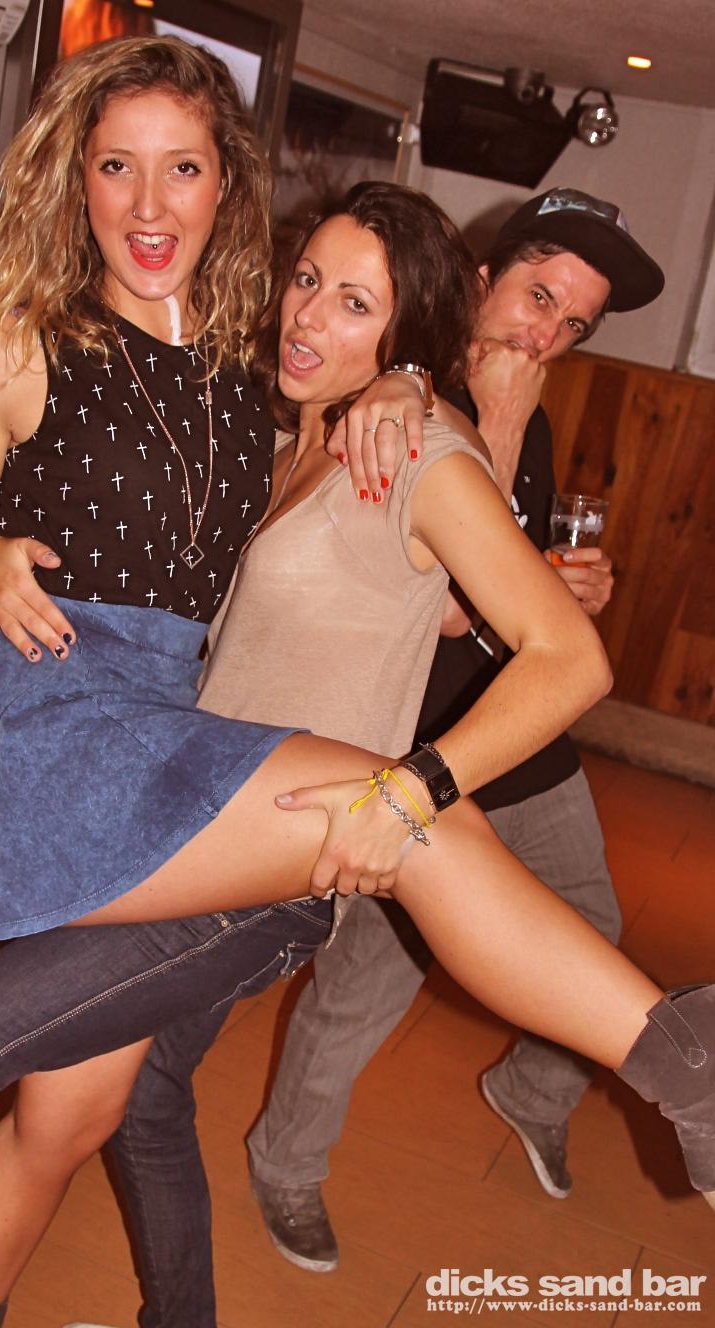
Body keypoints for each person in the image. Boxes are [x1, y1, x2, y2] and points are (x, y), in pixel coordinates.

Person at [0, 35, 710, 1325]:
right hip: (59, 728)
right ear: (73, 180)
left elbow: (385, 390)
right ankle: (688, 1061)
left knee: (67, 1115)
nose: (148, 204)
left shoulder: (257, 364)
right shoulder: (19, 343)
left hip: (174, 749)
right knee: (405, 814)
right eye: (115, 167)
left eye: (181, 168)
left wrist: (409, 373)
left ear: (225, 183)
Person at [0, 189, 706, 1328]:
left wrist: (416, 783)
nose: (545, 332)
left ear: (406, 324)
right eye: (308, 280)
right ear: (482, 284)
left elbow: (527, 638)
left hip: (280, 829)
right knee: (125, 1094)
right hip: (186, 793)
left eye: (355, 301)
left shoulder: (426, 437)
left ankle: (685, 1065)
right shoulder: (292, 427)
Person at [244, 186, 667, 1274]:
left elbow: (516, 597)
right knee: (373, 972)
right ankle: (286, 1160)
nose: (546, 333)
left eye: (572, 323)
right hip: (420, 734)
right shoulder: (392, 401)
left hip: (519, 730)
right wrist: (462, 405)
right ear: (479, 281)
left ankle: (532, 1091)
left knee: (593, 931)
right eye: (537, 295)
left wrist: (566, 587)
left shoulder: (504, 403)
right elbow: (437, 605)